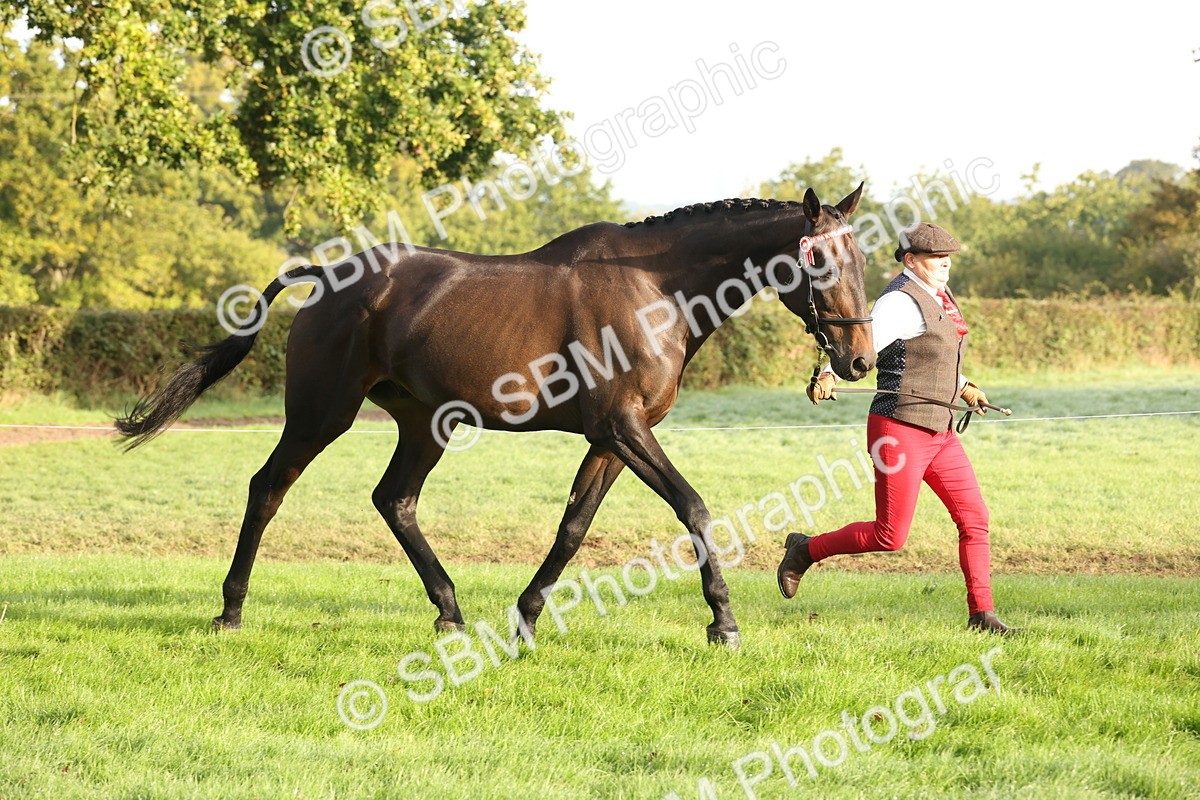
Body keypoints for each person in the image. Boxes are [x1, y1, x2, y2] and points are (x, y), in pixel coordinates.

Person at [777, 222, 1018, 633]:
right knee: (890, 536)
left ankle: (982, 614)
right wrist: (830, 377)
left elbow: (931, 353)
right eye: (935, 258)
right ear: (910, 261)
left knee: (975, 519)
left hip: (940, 432)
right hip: (899, 429)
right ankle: (805, 550)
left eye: (947, 259)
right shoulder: (899, 303)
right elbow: (864, 350)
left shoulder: (937, 294)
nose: (945, 265)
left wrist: (964, 387)